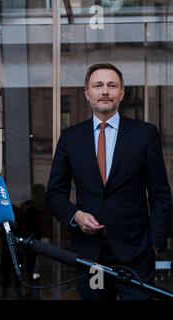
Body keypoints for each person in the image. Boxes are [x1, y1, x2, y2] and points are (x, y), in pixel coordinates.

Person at [46, 62, 172, 300]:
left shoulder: (144, 134)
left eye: (112, 85)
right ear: (87, 94)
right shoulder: (70, 138)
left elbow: (160, 194)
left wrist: (154, 244)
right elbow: (54, 194)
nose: (105, 91)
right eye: (98, 85)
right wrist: (77, 216)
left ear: (121, 93)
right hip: (91, 254)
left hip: (136, 253)